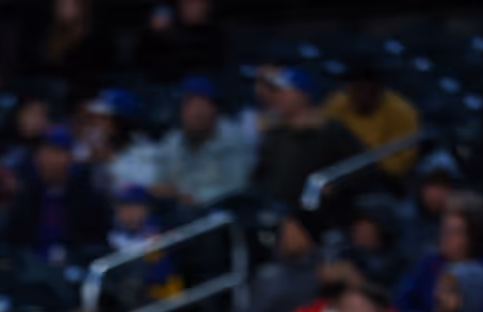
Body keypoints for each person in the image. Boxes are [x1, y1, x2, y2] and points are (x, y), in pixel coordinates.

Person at [255, 67, 357, 211]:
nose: (276, 97)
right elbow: (260, 178)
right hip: (278, 211)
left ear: (302, 94)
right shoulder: (274, 135)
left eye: (282, 91)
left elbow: (356, 169)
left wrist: (336, 186)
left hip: (323, 211)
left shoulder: (330, 130)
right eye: (274, 92)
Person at [4, 125, 110, 260]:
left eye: (54, 152)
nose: (46, 159)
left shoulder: (89, 197)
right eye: (42, 152)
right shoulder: (26, 192)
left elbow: (97, 244)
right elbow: (13, 240)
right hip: (29, 270)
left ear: (70, 157)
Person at [152, 76, 254, 208]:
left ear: (215, 109)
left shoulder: (233, 139)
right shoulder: (173, 141)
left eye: (202, 105)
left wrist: (185, 197)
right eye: (189, 104)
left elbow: (235, 188)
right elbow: (158, 185)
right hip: (181, 216)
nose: (196, 112)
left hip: (225, 215)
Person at [324, 62, 419, 181]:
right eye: (352, 89)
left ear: (376, 89)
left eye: (362, 89)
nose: (356, 95)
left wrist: (365, 158)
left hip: (384, 180)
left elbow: (398, 166)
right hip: (339, 173)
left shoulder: (402, 112)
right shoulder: (338, 104)